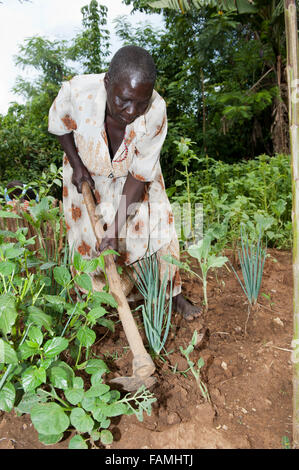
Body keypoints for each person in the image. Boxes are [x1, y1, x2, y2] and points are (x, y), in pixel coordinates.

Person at [48, 45, 201, 321]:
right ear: (108, 83)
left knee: (154, 231)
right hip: (86, 175)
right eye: (123, 100)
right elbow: (61, 126)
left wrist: (116, 228)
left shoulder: (155, 111)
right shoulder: (77, 92)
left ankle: (172, 294)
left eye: (140, 103)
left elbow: (139, 175)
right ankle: (98, 304)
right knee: (87, 240)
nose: (131, 111)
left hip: (133, 178)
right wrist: (77, 164)